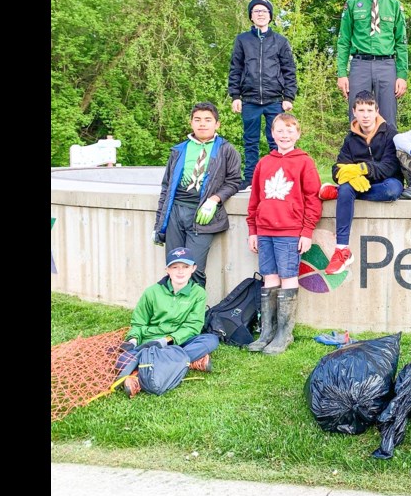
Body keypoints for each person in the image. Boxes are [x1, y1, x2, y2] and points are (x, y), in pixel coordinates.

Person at [245, 113, 323, 355]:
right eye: (280, 130)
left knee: (288, 277)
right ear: (272, 133)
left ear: (298, 134)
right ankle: (267, 332)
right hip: (265, 229)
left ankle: (284, 334)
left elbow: (313, 198)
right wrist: (253, 230)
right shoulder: (264, 163)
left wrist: (306, 231)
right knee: (270, 277)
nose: (284, 135)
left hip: (289, 231)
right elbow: (255, 198)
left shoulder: (304, 162)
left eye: (290, 131)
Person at [152, 102, 241, 288]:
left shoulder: (226, 150)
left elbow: (234, 181)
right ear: (191, 123)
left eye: (208, 120)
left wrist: (215, 199)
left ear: (217, 124)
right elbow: (166, 187)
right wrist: (159, 223)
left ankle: (195, 315)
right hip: (176, 212)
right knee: (174, 266)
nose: (202, 124)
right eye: (197, 119)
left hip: (202, 216)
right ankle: (174, 313)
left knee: (195, 268)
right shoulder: (179, 150)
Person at [117, 247, 220, 398]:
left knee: (211, 340)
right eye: (175, 267)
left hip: (178, 341)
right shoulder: (151, 292)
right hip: (152, 342)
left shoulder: (198, 293)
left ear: (193, 269)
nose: (180, 272)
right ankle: (188, 361)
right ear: (167, 270)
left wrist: (168, 340)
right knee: (121, 359)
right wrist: (133, 340)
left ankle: (138, 374)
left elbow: (193, 326)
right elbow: (138, 323)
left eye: (185, 267)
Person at [325, 92, 403, 275]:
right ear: (354, 112)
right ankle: (342, 249)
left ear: (377, 111)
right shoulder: (350, 139)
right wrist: (349, 177)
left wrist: (362, 169)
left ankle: (341, 193)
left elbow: (389, 167)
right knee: (345, 187)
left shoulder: (390, 133)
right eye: (361, 110)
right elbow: (337, 170)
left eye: (369, 110)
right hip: (357, 183)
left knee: (391, 190)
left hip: (387, 183)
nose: (365, 115)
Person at [228, 0, 298, 189]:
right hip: (249, 99)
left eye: (264, 11)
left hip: (274, 100)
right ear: (251, 16)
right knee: (250, 141)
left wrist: (288, 96)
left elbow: (289, 70)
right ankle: (250, 178)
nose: (260, 14)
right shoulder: (242, 40)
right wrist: (235, 96)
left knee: (277, 140)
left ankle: (279, 176)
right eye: (256, 11)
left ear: (270, 16)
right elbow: (235, 69)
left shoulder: (280, 41)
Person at [336, 0, 408, 128]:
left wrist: (402, 75)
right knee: (358, 117)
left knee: (388, 119)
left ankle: (388, 156)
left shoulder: (394, 5)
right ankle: (359, 155)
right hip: (360, 65)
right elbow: (344, 41)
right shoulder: (352, 3)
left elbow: (401, 43)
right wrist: (341, 73)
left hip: (387, 66)